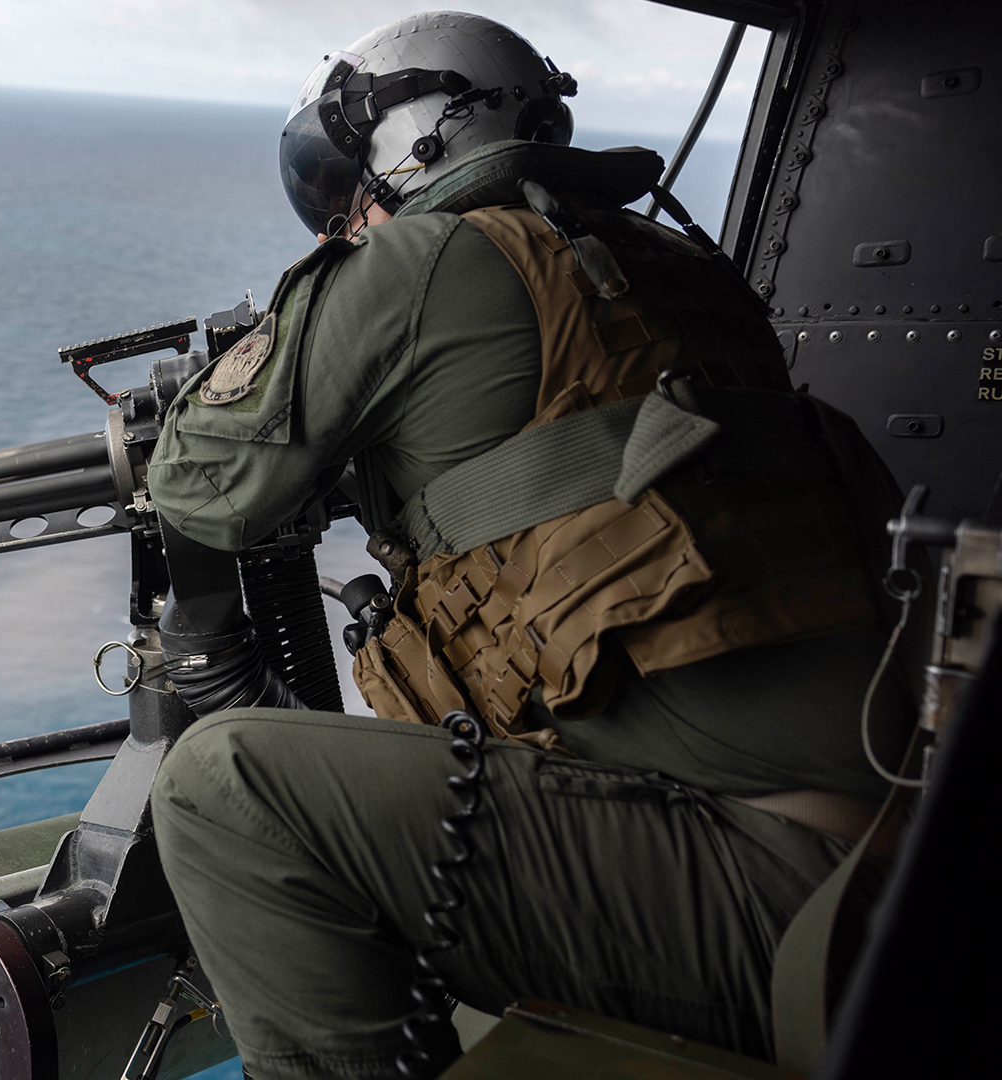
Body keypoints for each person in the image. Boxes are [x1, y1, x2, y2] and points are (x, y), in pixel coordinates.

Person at [142, 12, 910, 1079]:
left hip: (777, 905)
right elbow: (562, 453)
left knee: (222, 788)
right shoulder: (688, 276)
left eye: (345, 186)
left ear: (414, 141)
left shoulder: (420, 257)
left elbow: (199, 482)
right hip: (907, 862)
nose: (342, 219)